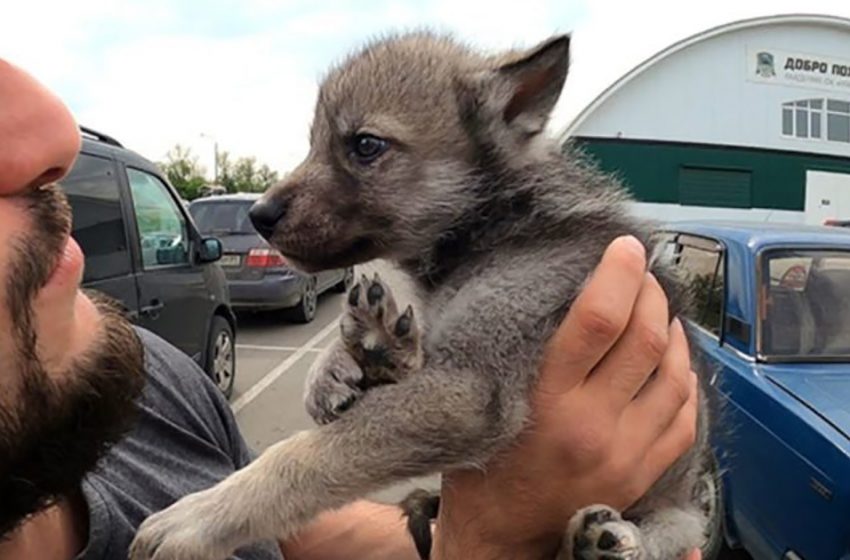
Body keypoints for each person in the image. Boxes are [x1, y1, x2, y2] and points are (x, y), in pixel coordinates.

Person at [0, 57, 699, 560]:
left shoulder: (160, 387)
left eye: (364, 149)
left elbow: (463, 405)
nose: (279, 197)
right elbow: (469, 401)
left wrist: (428, 532)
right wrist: (488, 536)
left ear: (513, 112)